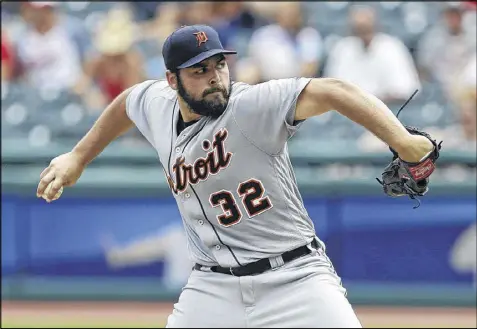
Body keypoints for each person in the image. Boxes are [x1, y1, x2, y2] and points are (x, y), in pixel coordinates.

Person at [36, 24, 437, 328]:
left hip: (295, 277)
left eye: (219, 65)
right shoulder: (157, 105)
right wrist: (78, 156)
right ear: (171, 81)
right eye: (198, 70)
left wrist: (403, 141)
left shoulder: (250, 107)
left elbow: (333, 90)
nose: (214, 77)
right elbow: (127, 102)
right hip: (212, 287)